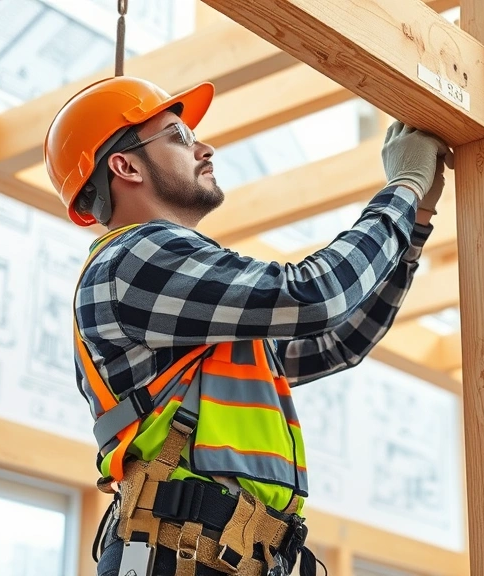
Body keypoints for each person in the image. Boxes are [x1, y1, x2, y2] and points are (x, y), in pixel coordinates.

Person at [43, 76, 452, 576]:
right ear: (125, 166)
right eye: (179, 137)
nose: (205, 148)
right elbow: (316, 295)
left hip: (222, 556)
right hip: (181, 554)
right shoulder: (132, 259)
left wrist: (417, 219)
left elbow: (338, 342)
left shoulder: (196, 315)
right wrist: (402, 190)